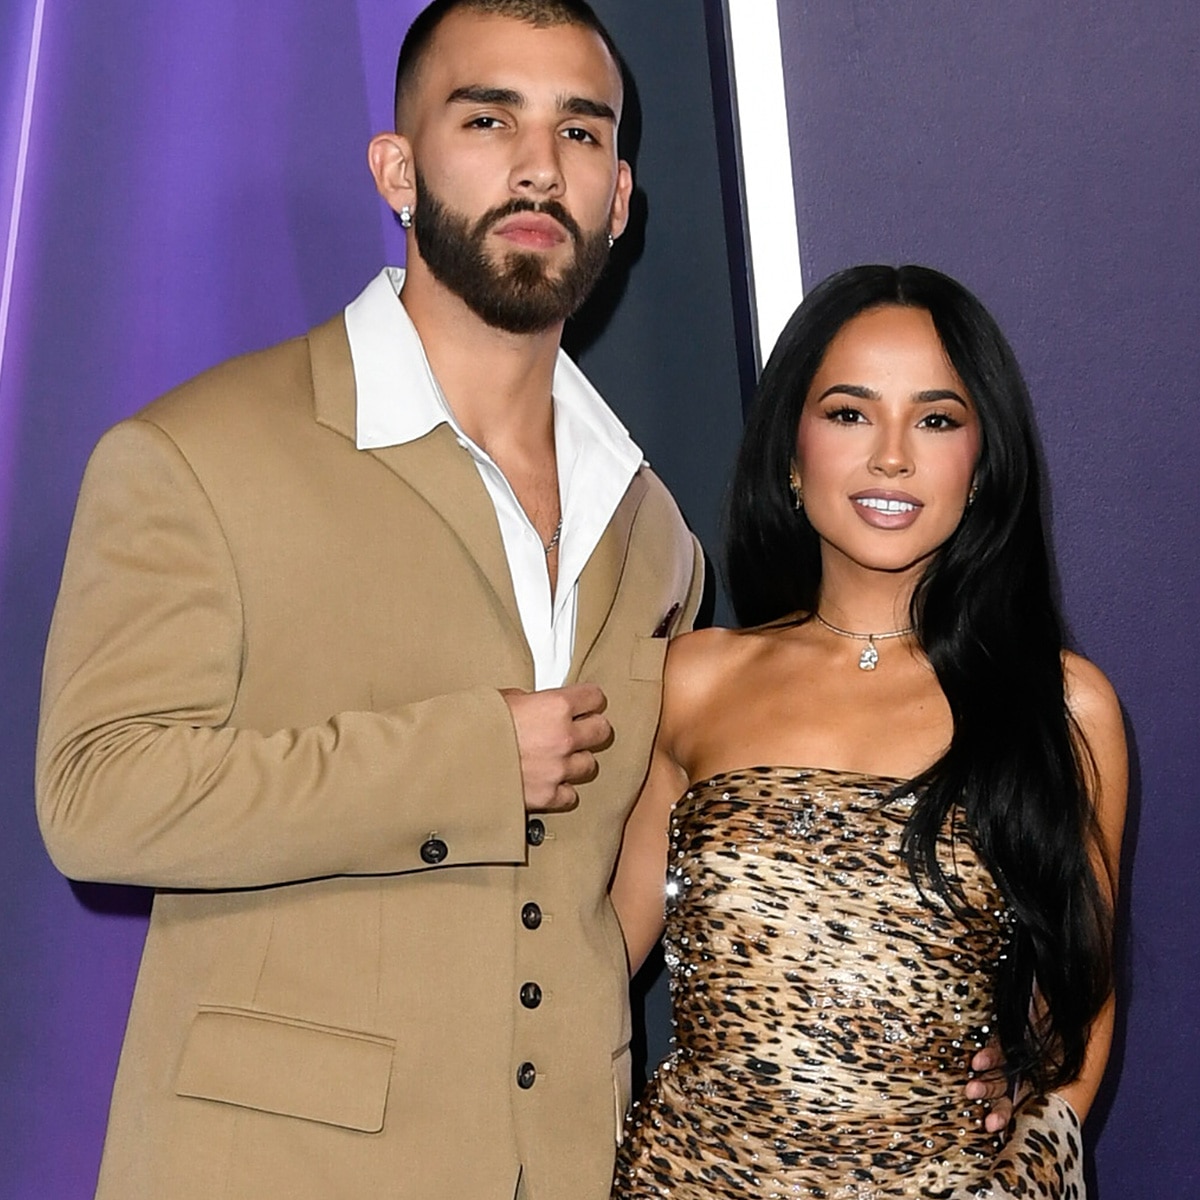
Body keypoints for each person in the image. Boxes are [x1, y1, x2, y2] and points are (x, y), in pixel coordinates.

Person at [35, 3, 704, 1199]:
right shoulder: (199, 454)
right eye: (488, 118)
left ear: (618, 197)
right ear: (398, 170)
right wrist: (464, 758)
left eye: (581, 132)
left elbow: (615, 872)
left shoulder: (655, 533)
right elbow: (96, 798)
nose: (539, 165)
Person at [610, 265, 1125, 1198]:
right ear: (791, 452)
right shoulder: (693, 678)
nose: (892, 456)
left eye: (936, 419)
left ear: (983, 464)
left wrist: (1030, 1133)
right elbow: (593, 963)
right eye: (850, 413)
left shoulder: (1063, 708)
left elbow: (1078, 1020)